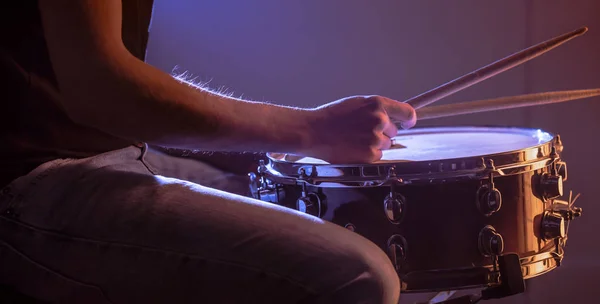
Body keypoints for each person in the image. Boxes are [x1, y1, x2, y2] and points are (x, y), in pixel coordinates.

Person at [0, 0, 417, 303]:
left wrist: (263, 151)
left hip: (113, 151)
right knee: (358, 275)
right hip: (26, 179)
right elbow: (100, 90)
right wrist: (313, 129)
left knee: (287, 190)